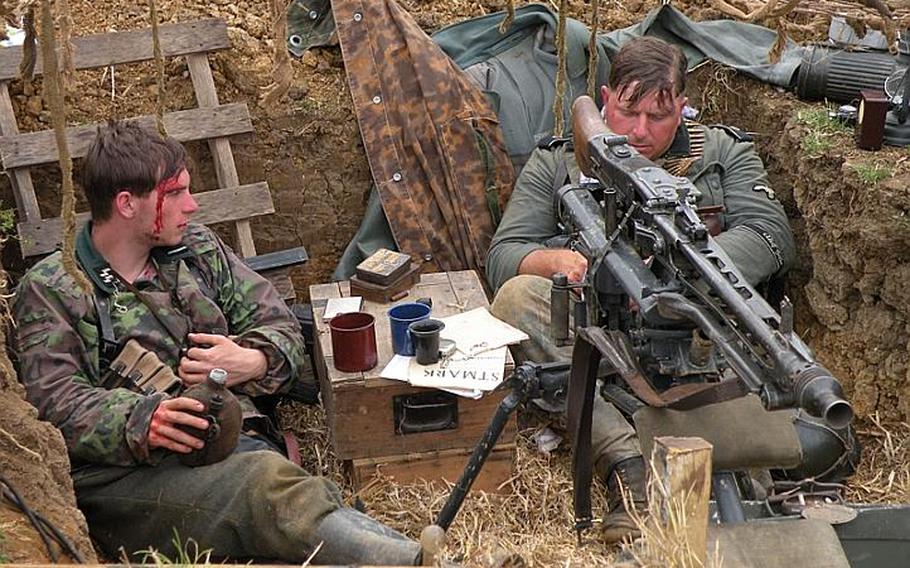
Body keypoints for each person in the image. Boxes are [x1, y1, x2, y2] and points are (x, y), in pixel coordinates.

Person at [13, 121, 422, 565]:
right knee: (267, 489)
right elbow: (48, 402)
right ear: (127, 204)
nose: (190, 206)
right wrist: (144, 419)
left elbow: (279, 323)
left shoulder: (197, 250)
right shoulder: (53, 288)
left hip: (235, 445)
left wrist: (253, 359)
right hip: (128, 477)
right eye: (174, 194)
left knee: (286, 499)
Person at [486, 37, 798, 543]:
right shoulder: (559, 161)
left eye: (659, 116)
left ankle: (724, 478)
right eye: (628, 112)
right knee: (518, 298)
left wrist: (682, 271)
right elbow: (504, 256)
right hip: (593, 331)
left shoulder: (722, 155)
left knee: (740, 500)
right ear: (605, 99)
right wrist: (557, 262)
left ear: (683, 109)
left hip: (694, 333)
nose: (638, 132)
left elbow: (770, 235)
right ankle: (624, 462)